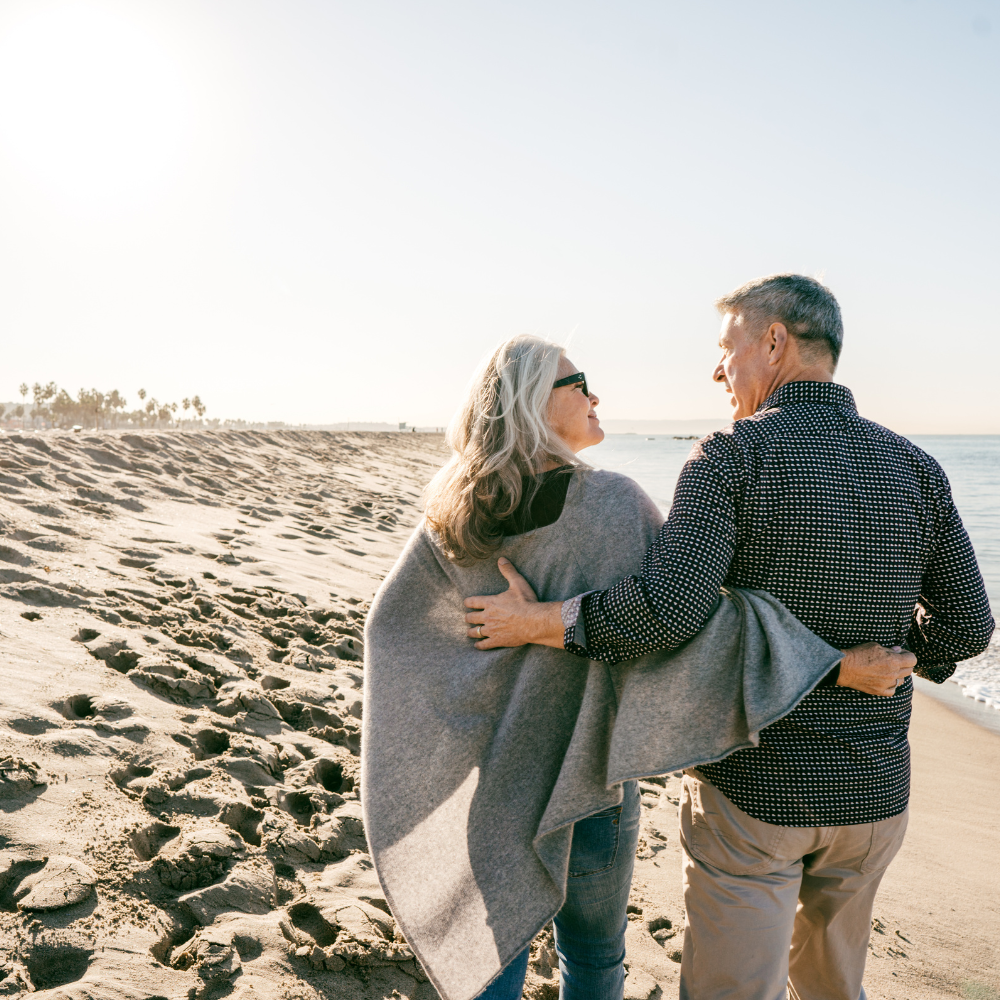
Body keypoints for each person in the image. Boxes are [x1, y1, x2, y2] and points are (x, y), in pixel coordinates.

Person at [464, 275, 995, 1000]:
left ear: (773, 341)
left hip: (756, 793)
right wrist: (905, 658)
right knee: (835, 989)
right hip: (874, 793)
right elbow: (969, 625)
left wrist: (544, 621)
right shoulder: (918, 468)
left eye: (727, 347)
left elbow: (667, 613)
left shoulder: (731, 457)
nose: (718, 369)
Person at [362, 333, 912, 1000]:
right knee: (593, 956)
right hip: (589, 773)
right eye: (578, 383)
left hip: (495, 776)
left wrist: (482, 689)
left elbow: (394, 633)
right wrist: (834, 667)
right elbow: (695, 627)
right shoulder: (613, 505)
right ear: (535, 404)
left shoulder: (452, 511)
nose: (595, 395)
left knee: (492, 952)